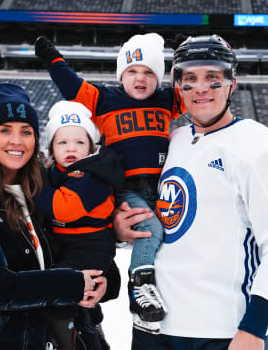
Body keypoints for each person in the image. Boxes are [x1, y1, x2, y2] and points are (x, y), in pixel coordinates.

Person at [114, 35, 268, 350]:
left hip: (220, 333)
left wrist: (253, 330)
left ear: (232, 84)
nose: (201, 88)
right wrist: (123, 230)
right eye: (190, 79)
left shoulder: (258, 146)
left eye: (213, 78)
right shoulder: (173, 140)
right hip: (152, 329)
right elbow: (169, 224)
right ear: (178, 87)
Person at [0, 83, 115, 349]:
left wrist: (103, 281)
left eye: (26, 131)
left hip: (66, 336)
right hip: (3, 341)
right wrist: (73, 282)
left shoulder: (45, 191)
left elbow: (77, 245)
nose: (17, 141)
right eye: (5, 130)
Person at [35, 33, 180, 332]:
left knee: (171, 239)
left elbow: (193, 87)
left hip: (161, 187)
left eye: (149, 72)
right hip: (127, 188)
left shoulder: (167, 101)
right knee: (150, 230)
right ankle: (139, 288)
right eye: (132, 71)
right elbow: (72, 87)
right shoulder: (105, 100)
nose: (140, 78)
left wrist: (184, 53)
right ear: (121, 75)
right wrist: (53, 59)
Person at [34, 100, 125, 349]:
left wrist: (35, 187)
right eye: (62, 142)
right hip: (74, 246)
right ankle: (90, 326)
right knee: (74, 296)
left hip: (88, 248)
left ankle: (72, 337)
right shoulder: (60, 170)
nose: (71, 148)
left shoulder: (88, 174)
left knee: (61, 291)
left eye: (79, 142)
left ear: (91, 146)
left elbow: (64, 208)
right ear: (52, 148)